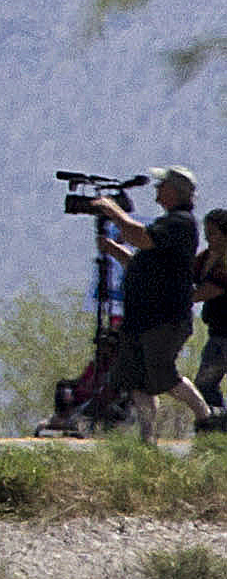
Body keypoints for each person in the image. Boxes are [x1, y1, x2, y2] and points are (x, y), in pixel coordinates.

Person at [91, 170, 203, 428]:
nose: (157, 189)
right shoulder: (165, 225)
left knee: (162, 375)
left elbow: (140, 236)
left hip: (164, 318)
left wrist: (113, 211)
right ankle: (147, 436)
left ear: (174, 190)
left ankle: (205, 416)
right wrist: (112, 249)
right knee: (134, 379)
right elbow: (138, 264)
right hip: (141, 318)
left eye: (161, 185)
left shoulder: (180, 223)